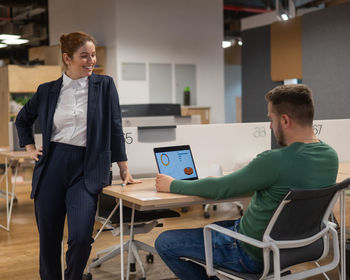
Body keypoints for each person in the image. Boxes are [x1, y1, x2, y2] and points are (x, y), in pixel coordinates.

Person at [154, 84, 339, 280]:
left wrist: (172, 184)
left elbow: (220, 188)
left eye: (271, 119)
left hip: (252, 252)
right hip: (299, 247)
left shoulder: (273, 161)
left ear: (285, 120)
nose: (269, 126)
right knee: (221, 226)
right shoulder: (330, 157)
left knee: (165, 242)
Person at [15, 31, 140, 280]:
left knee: (81, 237)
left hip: (87, 169)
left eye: (93, 55)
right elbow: (22, 120)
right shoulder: (47, 91)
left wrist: (123, 166)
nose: (91, 61)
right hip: (51, 166)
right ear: (67, 58)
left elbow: (116, 127)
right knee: (49, 240)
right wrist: (30, 148)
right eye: (84, 56)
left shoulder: (104, 86)